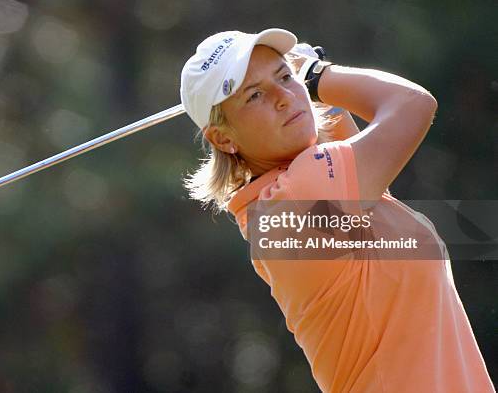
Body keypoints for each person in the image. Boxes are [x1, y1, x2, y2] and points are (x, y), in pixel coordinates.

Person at [179, 28, 495, 392]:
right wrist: (316, 74)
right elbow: (412, 105)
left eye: (285, 76)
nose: (283, 97)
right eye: (254, 96)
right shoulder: (299, 196)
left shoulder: (289, 196)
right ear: (223, 138)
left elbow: (334, 128)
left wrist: (315, 88)